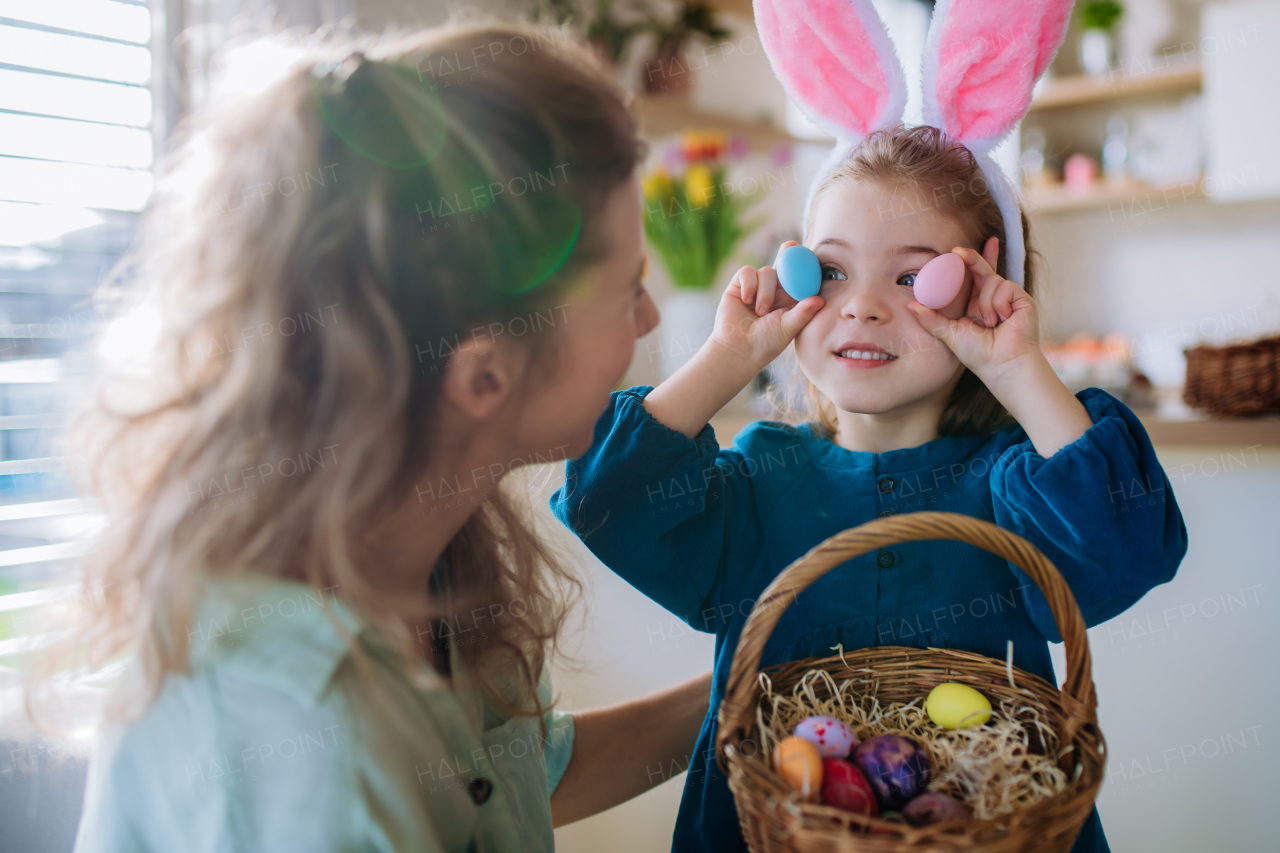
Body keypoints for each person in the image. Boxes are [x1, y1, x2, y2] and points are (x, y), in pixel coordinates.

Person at [35, 21, 711, 852]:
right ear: (483, 373)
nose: (645, 318)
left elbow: (519, 776)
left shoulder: (427, 552)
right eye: (627, 289)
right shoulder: (304, 740)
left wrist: (750, 675)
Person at [550, 121, 1188, 851]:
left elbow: (1132, 545)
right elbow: (605, 499)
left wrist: (1015, 366)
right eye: (830, 269)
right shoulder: (759, 483)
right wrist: (727, 355)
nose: (861, 305)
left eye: (913, 277)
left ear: (983, 282)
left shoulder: (1016, 482)